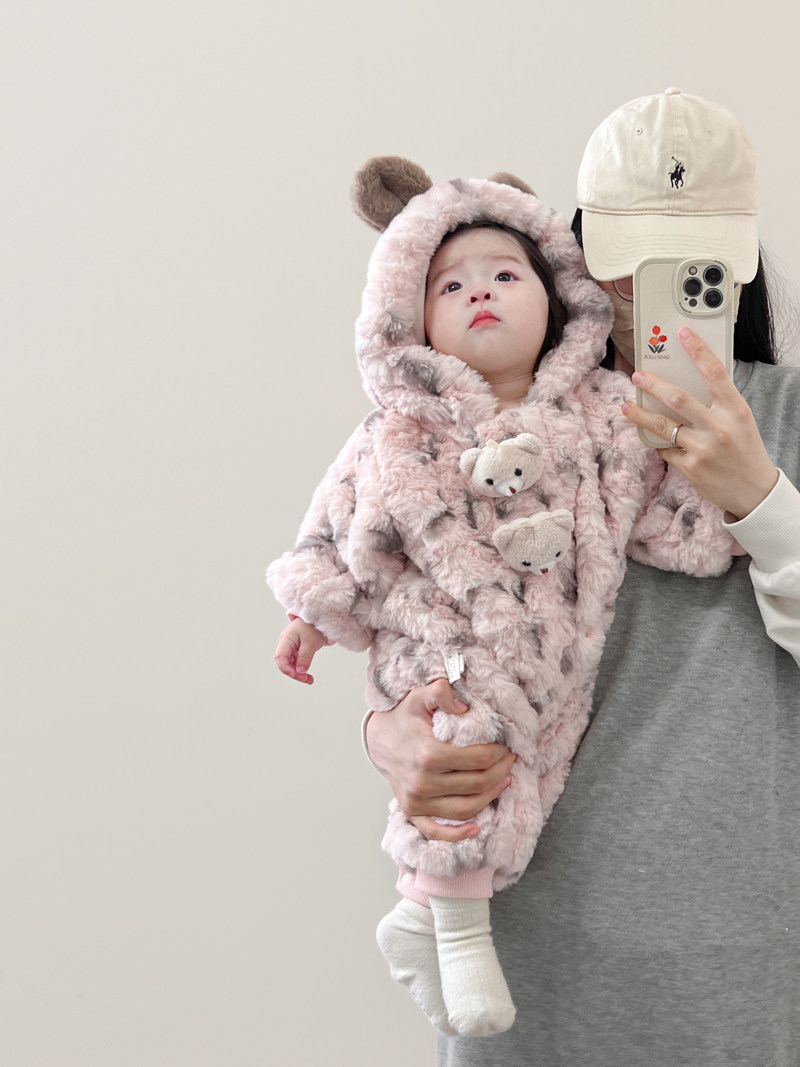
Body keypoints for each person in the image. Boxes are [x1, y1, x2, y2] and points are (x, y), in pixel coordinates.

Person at [365, 89, 800, 1065]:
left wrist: (757, 495)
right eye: (630, 257)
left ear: (737, 259)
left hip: (736, 955)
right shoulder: (486, 427)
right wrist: (389, 732)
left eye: (687, 260)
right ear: (577, 251)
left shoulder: (789, 418)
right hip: (515, 943)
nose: (651, 288)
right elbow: (416, 609)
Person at [267, 151, 738, 1038]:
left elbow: (663, 500)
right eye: (449, 286)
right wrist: (311, 614)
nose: (479, 292)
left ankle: (419, 915)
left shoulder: (607, 412)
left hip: (556, 656)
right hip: (440, 643)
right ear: (409, 320)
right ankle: (459, 933)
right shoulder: (397, 431)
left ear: (558, 298)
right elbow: (336, 519)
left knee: (532, 774)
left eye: (505, 275)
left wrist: (726, 518)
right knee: (468, 737)